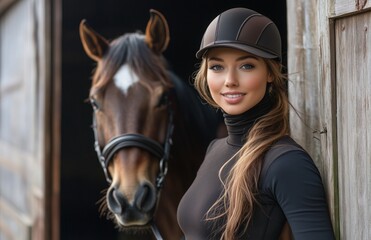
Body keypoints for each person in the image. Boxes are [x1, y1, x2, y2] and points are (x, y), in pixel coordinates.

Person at [177, 7, 335, 240]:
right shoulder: (215, 149)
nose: (230, 81)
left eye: (246, 65)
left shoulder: (286, 162)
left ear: (270, 73)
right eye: (217, 67)